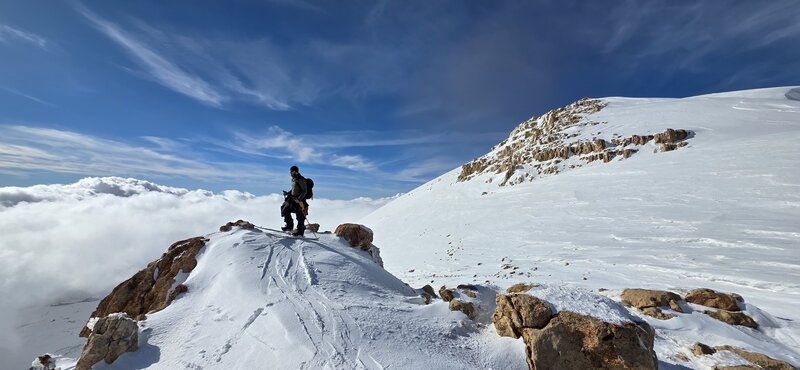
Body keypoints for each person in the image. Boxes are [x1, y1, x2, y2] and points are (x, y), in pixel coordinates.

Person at [281, 165, 308, 236]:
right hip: (292, 199)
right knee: (284, 209)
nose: (290, 173)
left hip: (299, 200)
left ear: (295, 172)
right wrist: (288, 193)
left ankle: (300, 231)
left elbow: (304, 191)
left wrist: (299, 199)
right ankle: (289, 226)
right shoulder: (293, 179)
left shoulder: (301, 179)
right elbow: (294, 189)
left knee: (300, 215)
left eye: (291, 172)